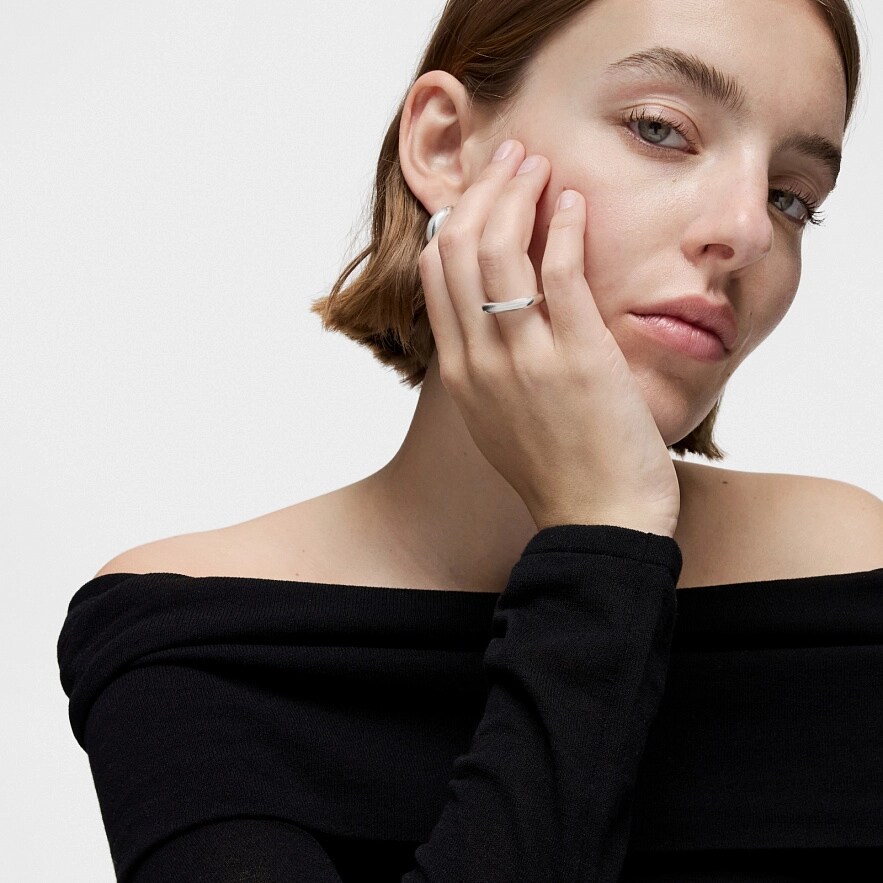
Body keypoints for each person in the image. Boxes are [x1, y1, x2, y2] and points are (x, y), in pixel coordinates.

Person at [57, 0, 883, 880]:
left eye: (790, 197)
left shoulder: (848, 579)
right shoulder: (191, 636)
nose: (748, 232)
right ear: (446, 146)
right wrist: (605, 535)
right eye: (658, 129)